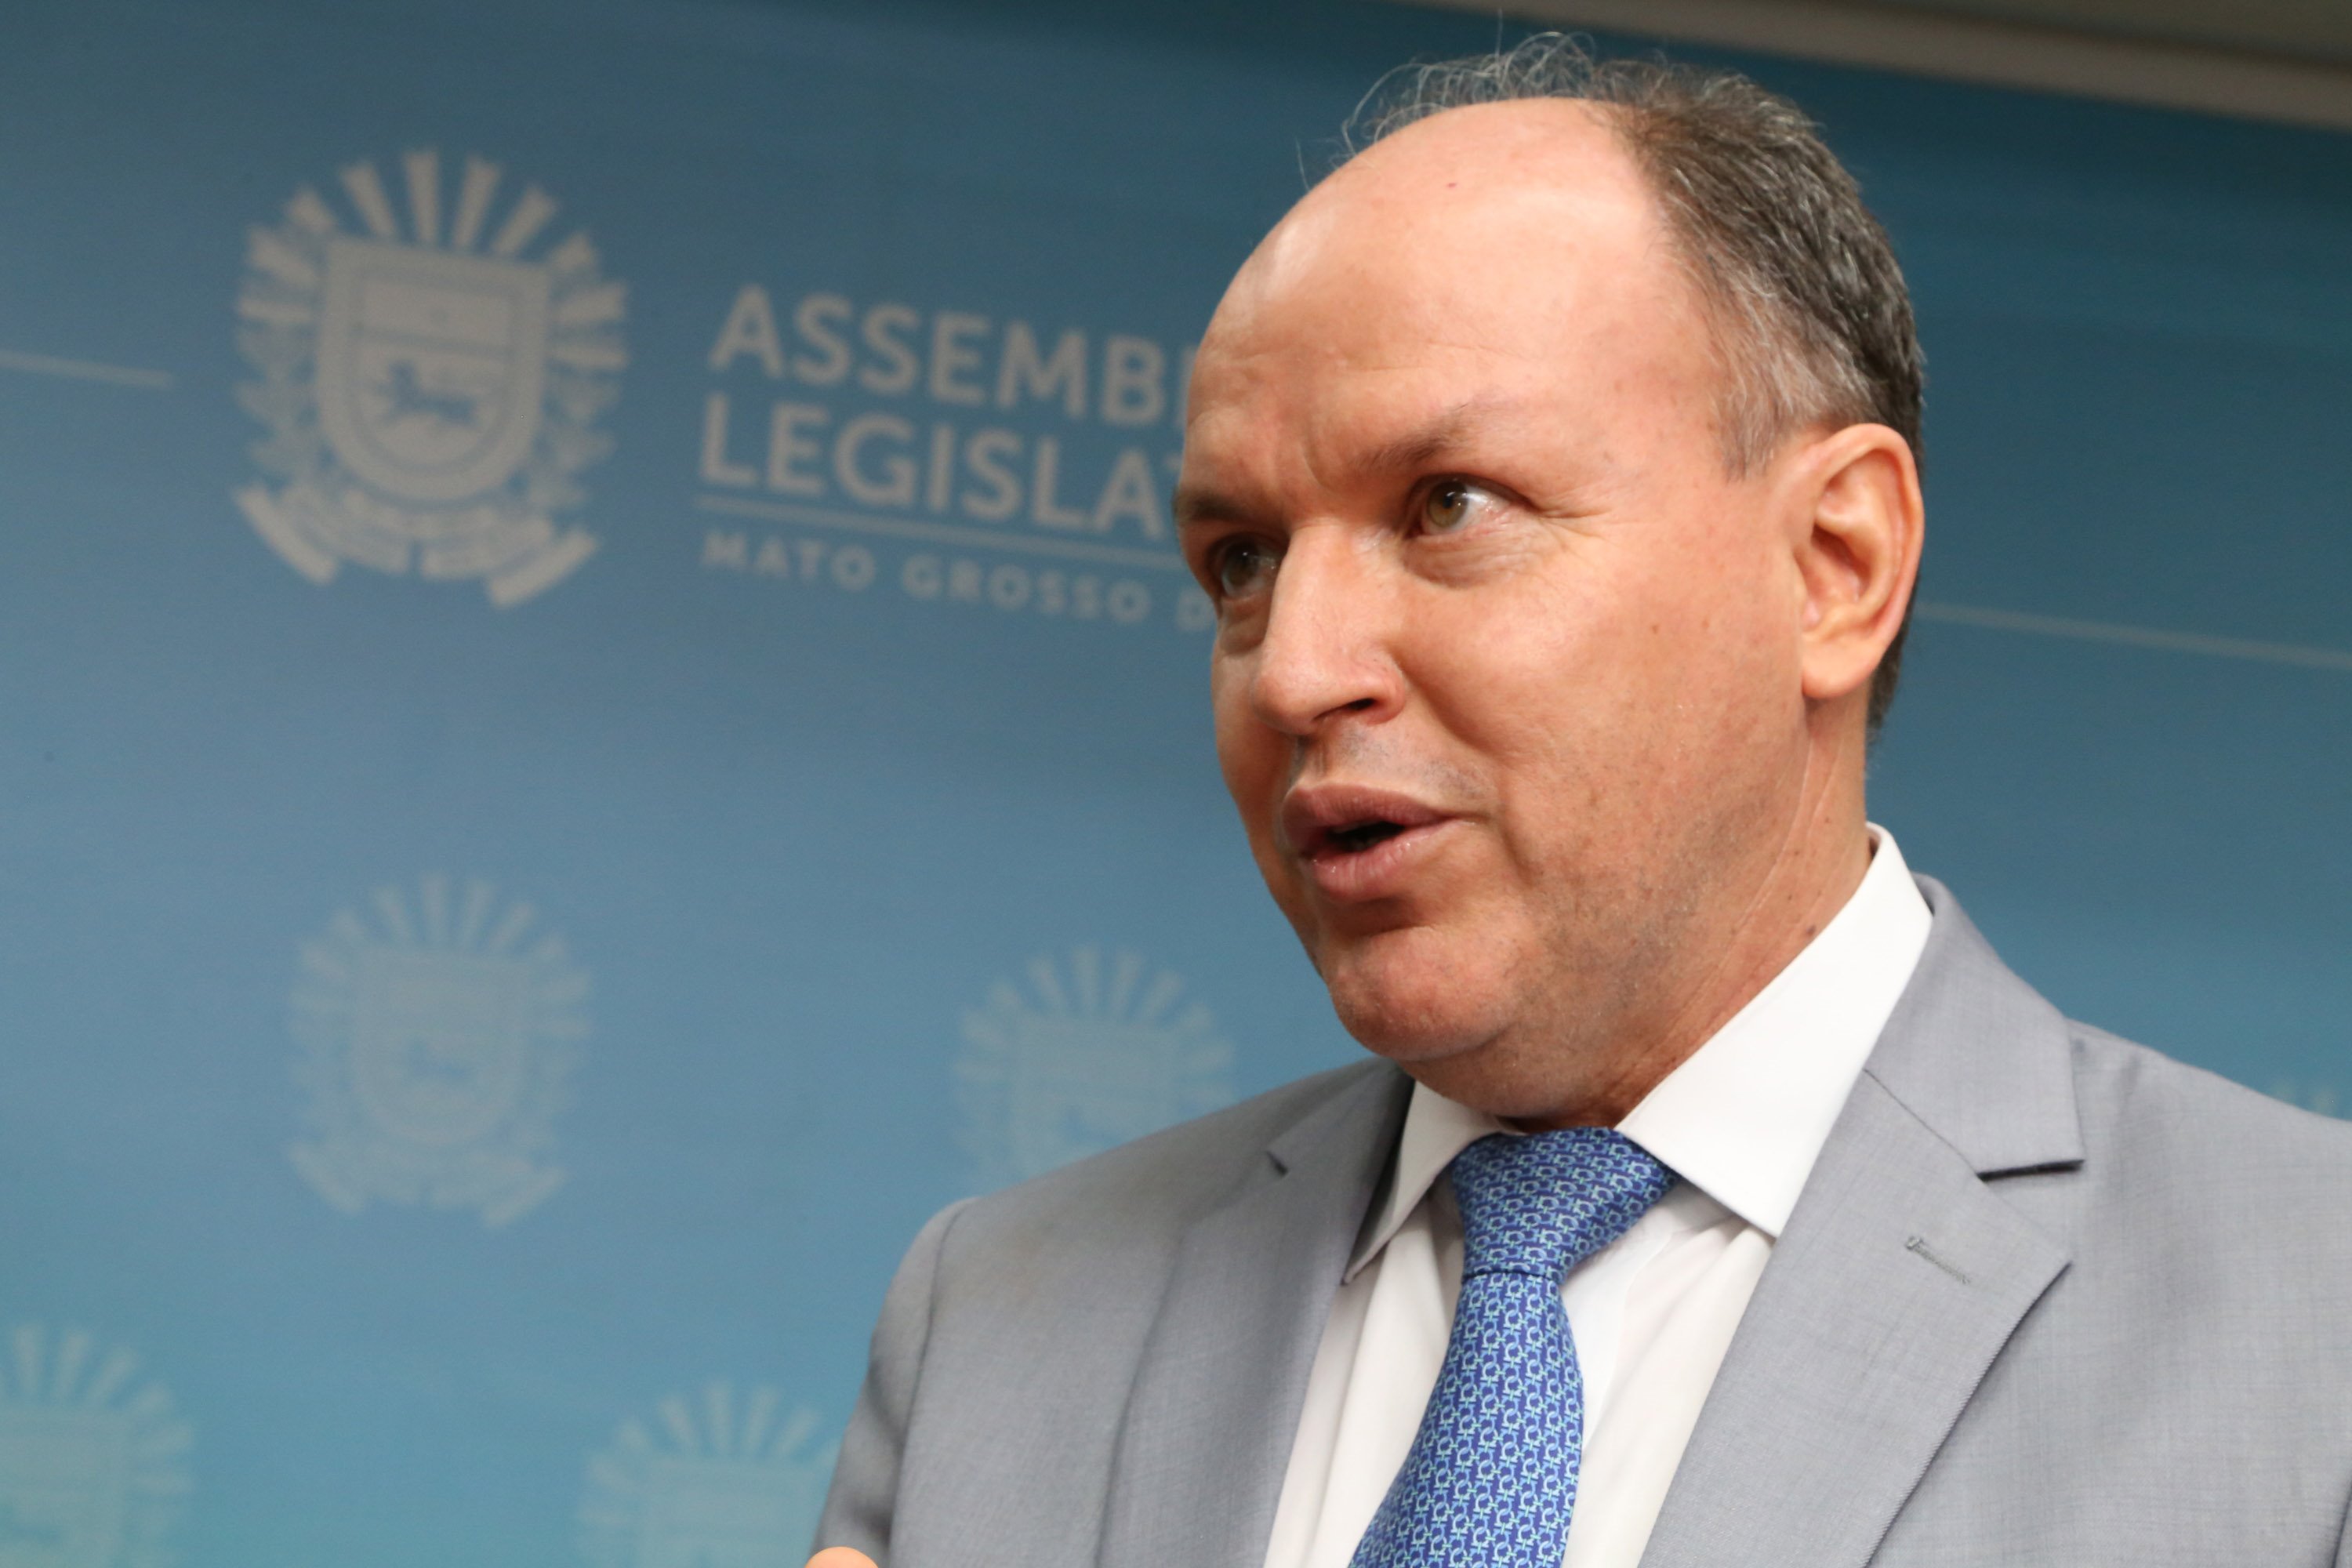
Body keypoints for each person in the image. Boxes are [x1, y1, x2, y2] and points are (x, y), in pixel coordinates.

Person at [806, 38, 2352, 1568]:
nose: (1294, 671)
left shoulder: (2314, 1317)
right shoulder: (996, 1319)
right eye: (1243, 561)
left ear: (1837, 566)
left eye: (1448, 506)